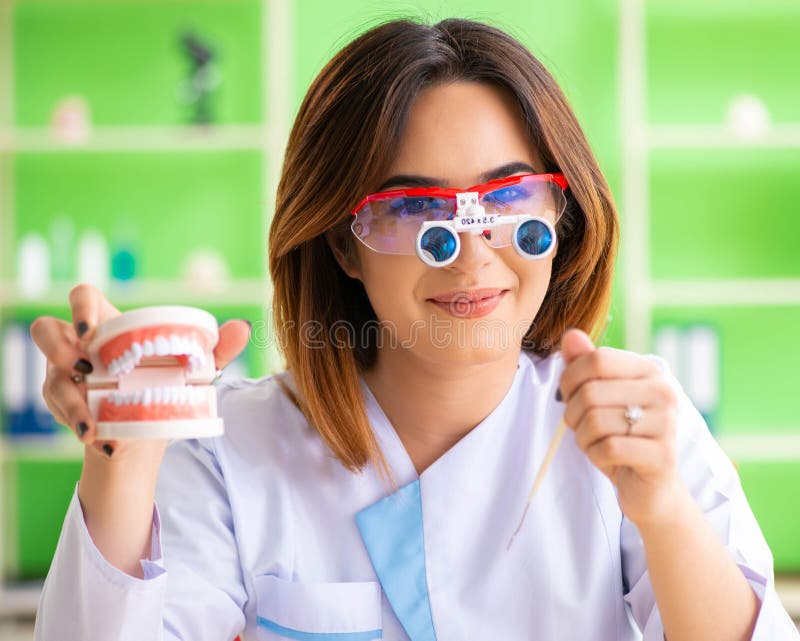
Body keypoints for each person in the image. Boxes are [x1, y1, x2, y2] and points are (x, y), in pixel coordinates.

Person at [29, 17, 798, 641]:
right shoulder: (232, 450)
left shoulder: (633, 427)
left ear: (561, 216)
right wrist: (123, 456)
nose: (472, 254)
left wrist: (662, 506)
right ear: (343, 244)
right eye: (416, 211)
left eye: (509, 199)